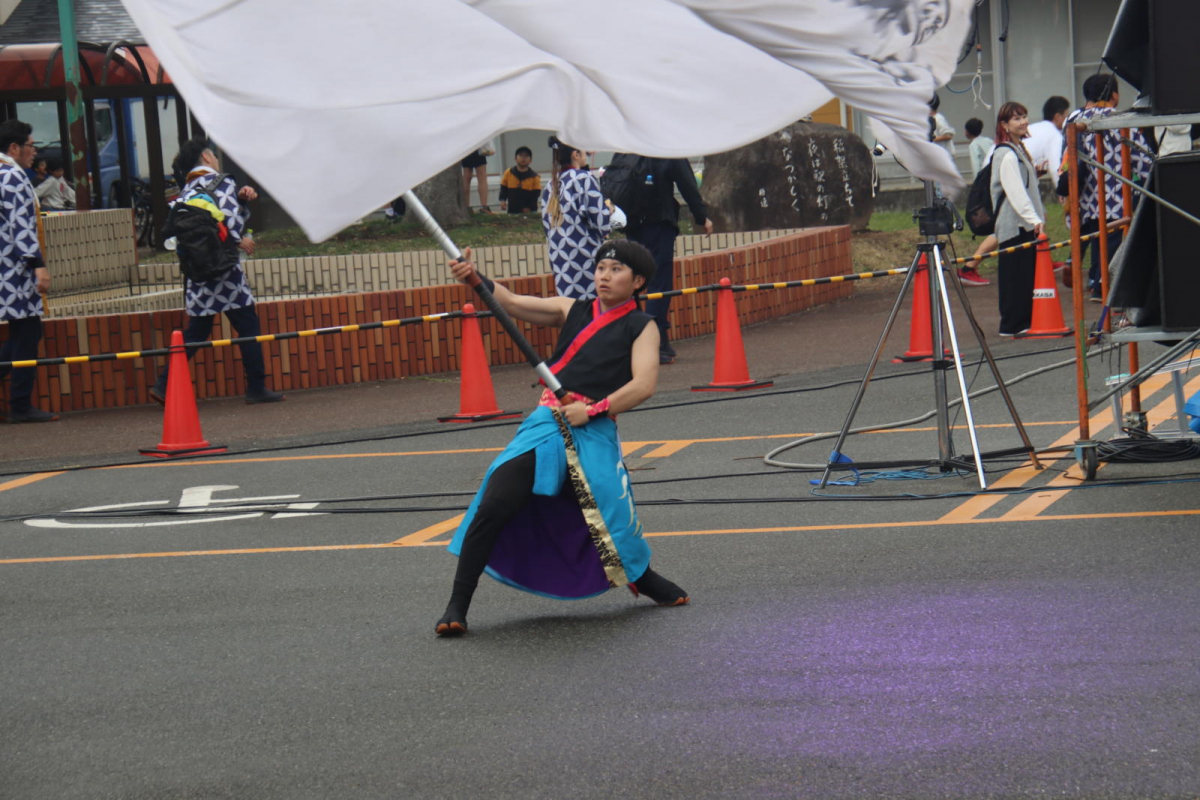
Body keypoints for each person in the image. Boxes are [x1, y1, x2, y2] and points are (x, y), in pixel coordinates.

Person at [437, 238, 689, 636]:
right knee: (494, 502)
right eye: (602, 267)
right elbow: (514, 303)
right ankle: (457, 604)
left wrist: (593, 409)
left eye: (617, 270)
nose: (605, 276)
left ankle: (643, 577)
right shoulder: (571, 308)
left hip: (594, 427)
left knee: (612, 517)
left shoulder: (643, 326)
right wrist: (475, 277)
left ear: (638, 281)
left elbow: (644, 385)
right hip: (546, 424)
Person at [151, 137, 283, 404]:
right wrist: (239, 238)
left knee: (197, 330)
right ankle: (256, 387)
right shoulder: (221, 182)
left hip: (198, 270)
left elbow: (205, 219)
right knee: (248, 325)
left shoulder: (186, 190)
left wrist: (239, 201)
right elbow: (231, 219)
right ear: (207, 157)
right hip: (225, 269)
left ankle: (164, 384)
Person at [1057, 74, 1153, 302]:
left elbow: (1065, 157)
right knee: (1112, 242)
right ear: (1114, 95)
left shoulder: (1073, 118)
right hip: (1115, 194)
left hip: (1083, 194)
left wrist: (1065, 187)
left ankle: (1093, 281)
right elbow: (1142, 158)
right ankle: (1104, 287)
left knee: (1093, 238)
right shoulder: (1118, 118)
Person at [619, 155, 712, 365]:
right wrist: (701, 216)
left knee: (634, 283)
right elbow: (687, 183)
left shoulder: (627, 147)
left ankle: (641, 342)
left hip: (632, 224)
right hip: (658, 224)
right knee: (658, 284)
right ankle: (655, 344)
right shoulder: (665, 148)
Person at [0, 120, 58, 422]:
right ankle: (20, 406)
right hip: (14, 270)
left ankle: (20, 404)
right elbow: (21, 227)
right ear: (14, 148)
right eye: (31, 146)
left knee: (22, 332)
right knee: (28, 331)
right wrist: (38, 266)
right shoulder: (12, 176)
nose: (34, 152)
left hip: (5, 268)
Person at [991, 102, 1045, 337]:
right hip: (1014, 225)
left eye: (1024, 116)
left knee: (1024, 275)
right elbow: (1014, 192)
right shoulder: (1006, 154)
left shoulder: (1019, 149)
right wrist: (1034, 219)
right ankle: (1012, 325)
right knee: (1014, 276)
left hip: (1022, 223)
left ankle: (1023, 322)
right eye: (1016, 118)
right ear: (1004, 125)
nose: (1023, 121)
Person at [541, 137, 612, 300]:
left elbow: (547, 226)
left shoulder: (550, 185)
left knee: (571, 312)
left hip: (560, 260)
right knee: (592, 311)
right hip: (585, 257)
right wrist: (609, 210)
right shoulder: (583, 178)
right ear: (576, 155)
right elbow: (602, 225)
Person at [1025, 96, 1070, 177]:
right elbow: (1056, 169)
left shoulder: (1033, 127)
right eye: (1066, 116)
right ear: (1057, 116)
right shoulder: (1054, 135)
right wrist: (1061, 188)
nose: (1068, 120)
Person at [498, 145, 541, 214]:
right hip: (512, 210)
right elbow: (503, 189)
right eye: (520, 155)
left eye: (526, 156)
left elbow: (535, 195)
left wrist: (528, 207)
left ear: (530, 160)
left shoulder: (534, 177)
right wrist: (502, 200)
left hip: (530, 212)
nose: (523, 158)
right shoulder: (508, 173)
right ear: (516, 158)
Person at [460, 140, 494, 213]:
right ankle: (484, 206)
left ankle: (466, 206)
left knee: (466, 177)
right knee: (482, 177)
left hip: (466, 147)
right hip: (477, 146)